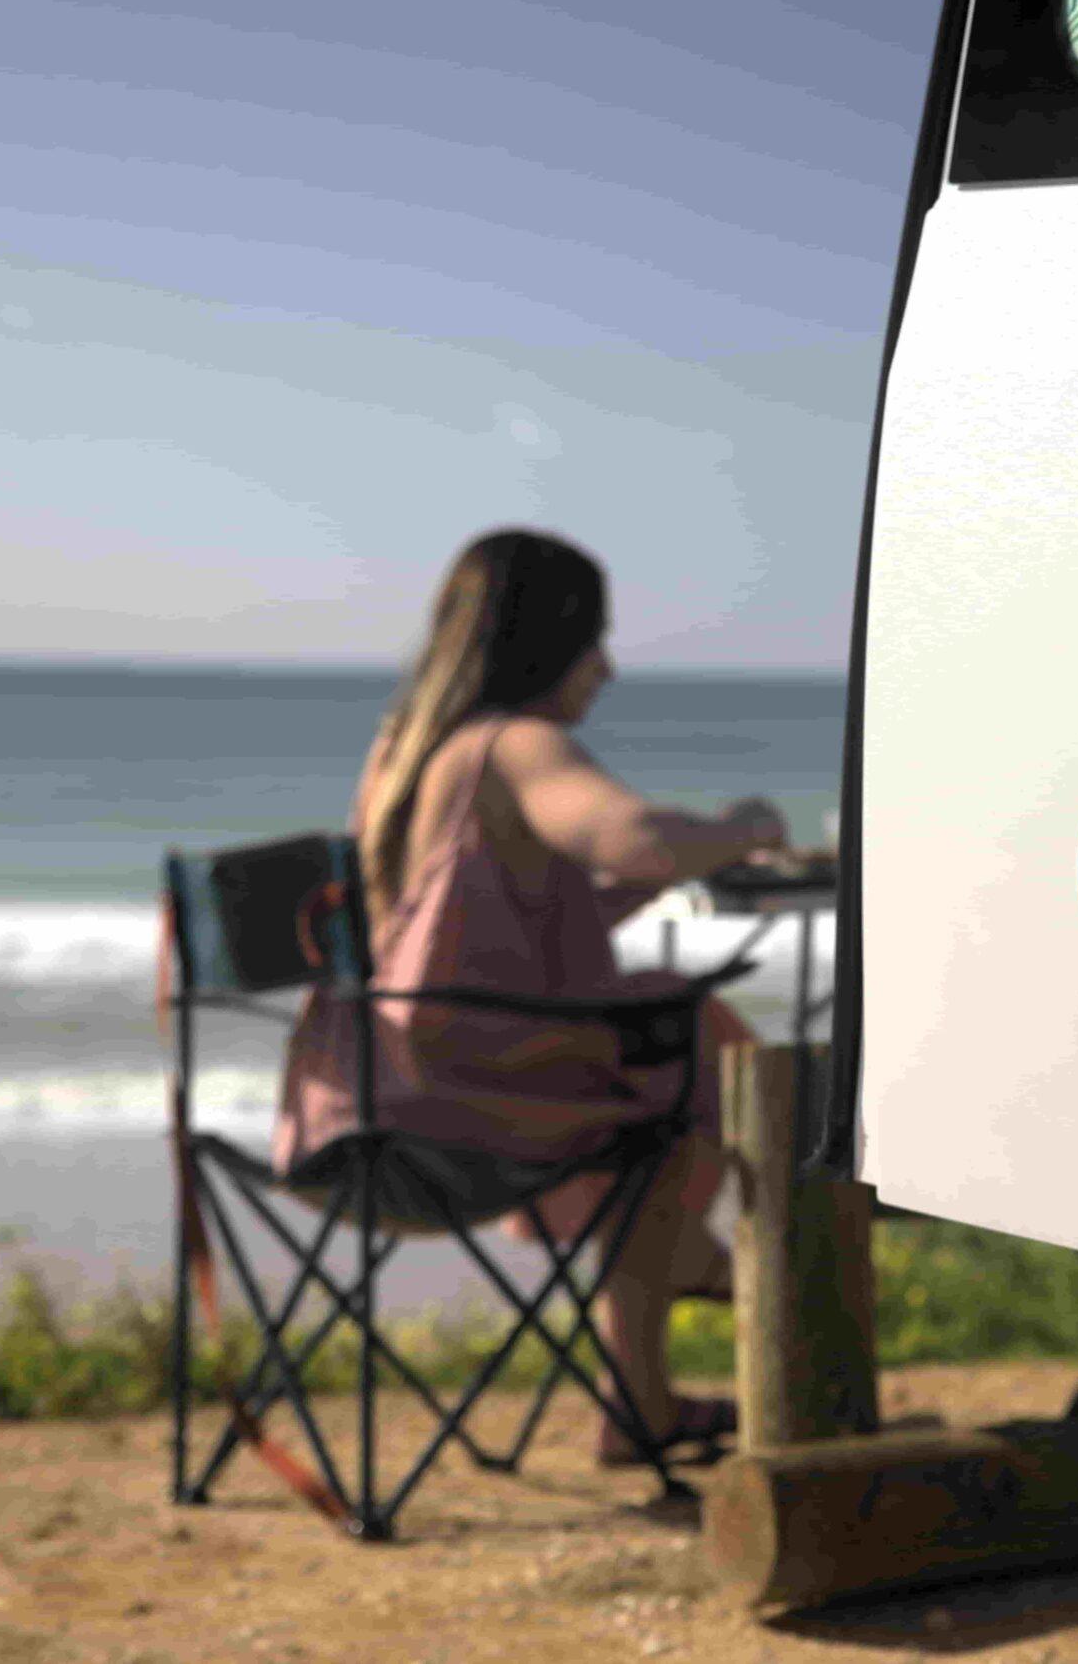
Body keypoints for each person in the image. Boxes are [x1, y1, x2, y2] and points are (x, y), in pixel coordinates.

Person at [273, 526, 788, 1464]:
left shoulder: (402, 754)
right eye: (595, 638)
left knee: (670, 1076)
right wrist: (742, 828)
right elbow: (632, 838)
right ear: (547, 641)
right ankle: (747, 1275)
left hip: (367, 1097)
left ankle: (658, 1377)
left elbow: (477, 909)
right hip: (474, 1106)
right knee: (723, 1068)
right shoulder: (513, 745)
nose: (608, 668)